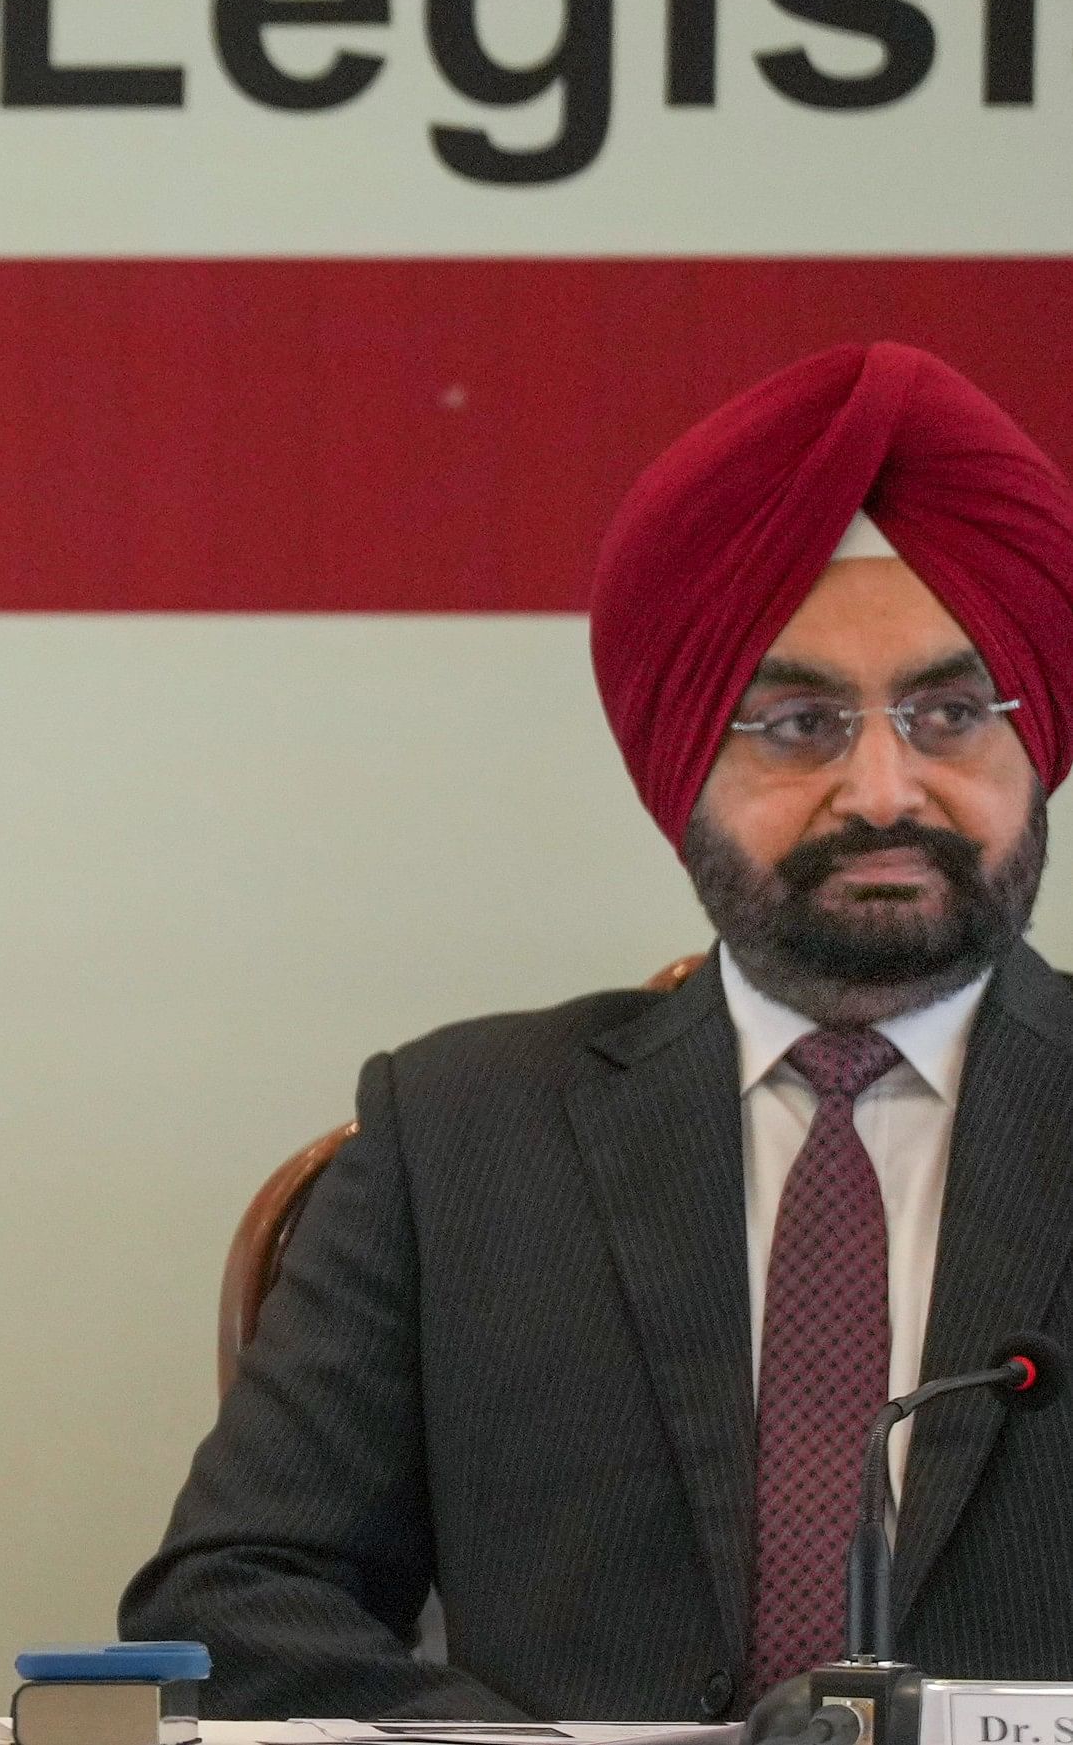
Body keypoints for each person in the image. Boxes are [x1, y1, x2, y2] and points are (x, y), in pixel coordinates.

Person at [122, 343, 1073, 1717]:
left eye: (945, 713)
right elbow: (236, 1598)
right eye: (798, 721)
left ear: (1027, 739)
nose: (883, 789)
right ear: (681, 759)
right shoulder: (461, 1131)